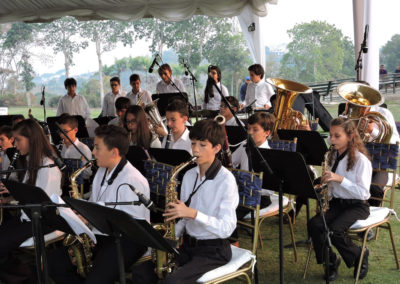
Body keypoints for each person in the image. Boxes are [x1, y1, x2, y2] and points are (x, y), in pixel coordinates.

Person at [48, 125, 150, 284]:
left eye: (97, 148)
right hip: (102, 234)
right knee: (53, 262)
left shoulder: (133, 180)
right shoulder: (102, 171)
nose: (93, 152)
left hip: (127, 242)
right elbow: (95, 204)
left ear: (114, 152)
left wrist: (90, 219)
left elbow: (132, 227)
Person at [162, 119, 239, 283]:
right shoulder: (189, 175)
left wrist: (194, 214)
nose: (195, 150)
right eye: (193, 144)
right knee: (143, 272)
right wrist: (170, 238)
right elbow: (183, 216)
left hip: (214, 250)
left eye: (202, 145)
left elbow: (227, 228)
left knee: (172, 281)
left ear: (217, 148)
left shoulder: (226, 180)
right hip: (188, 246)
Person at [308, 117, 372, 281]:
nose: (332, 139)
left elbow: (364, 193)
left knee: (335, 231)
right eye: (330, 135)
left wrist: (340, 179)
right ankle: (330, 262)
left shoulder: (361, 161)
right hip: (337, 203)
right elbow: (333, 185)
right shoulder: (332, 156)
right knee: (314, 224)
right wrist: (325, 186)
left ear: (350, 136)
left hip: (357, 206)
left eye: (337, 136)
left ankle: (360, 254)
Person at [0, 119, 62, 281]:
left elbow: (44, 206)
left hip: (42, 221)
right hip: (27, 217)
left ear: (32, 139)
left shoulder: (49, 167)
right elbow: (31, 194)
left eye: (18, 140)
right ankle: (25, 275)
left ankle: (29, 278)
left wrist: (16, 193)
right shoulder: (31, 161)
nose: (16, 145)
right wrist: (11, 198)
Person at [58, 114, 92, 181]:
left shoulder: (83, 149)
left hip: (76, 185)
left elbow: (87, 174)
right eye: (60, 131)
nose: (61, 135)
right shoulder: (58, 147)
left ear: (75, 130)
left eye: (65, 131)